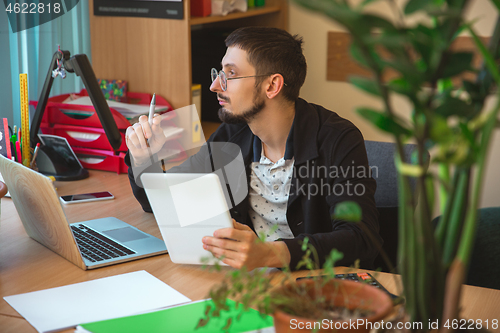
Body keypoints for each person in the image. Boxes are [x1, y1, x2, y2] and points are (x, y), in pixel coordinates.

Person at [125, 27, 380, 271]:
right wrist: (144, 160)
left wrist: (269, 253)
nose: (215, 86)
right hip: (253, 282)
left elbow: (360, 238)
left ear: (272, 86)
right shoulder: (232, 136)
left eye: (231, 74)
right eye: (219, 73)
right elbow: (160, 202)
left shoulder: (338, 139)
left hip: (318, 286)